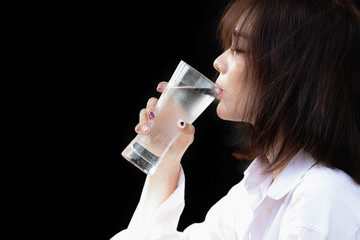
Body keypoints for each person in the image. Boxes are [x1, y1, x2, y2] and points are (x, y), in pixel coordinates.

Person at [112, 0, 360, 239]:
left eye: (239, 49)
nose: (218, 62)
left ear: (291, 71)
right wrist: (166, 160)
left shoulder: (320, 199)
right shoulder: (258, 188)